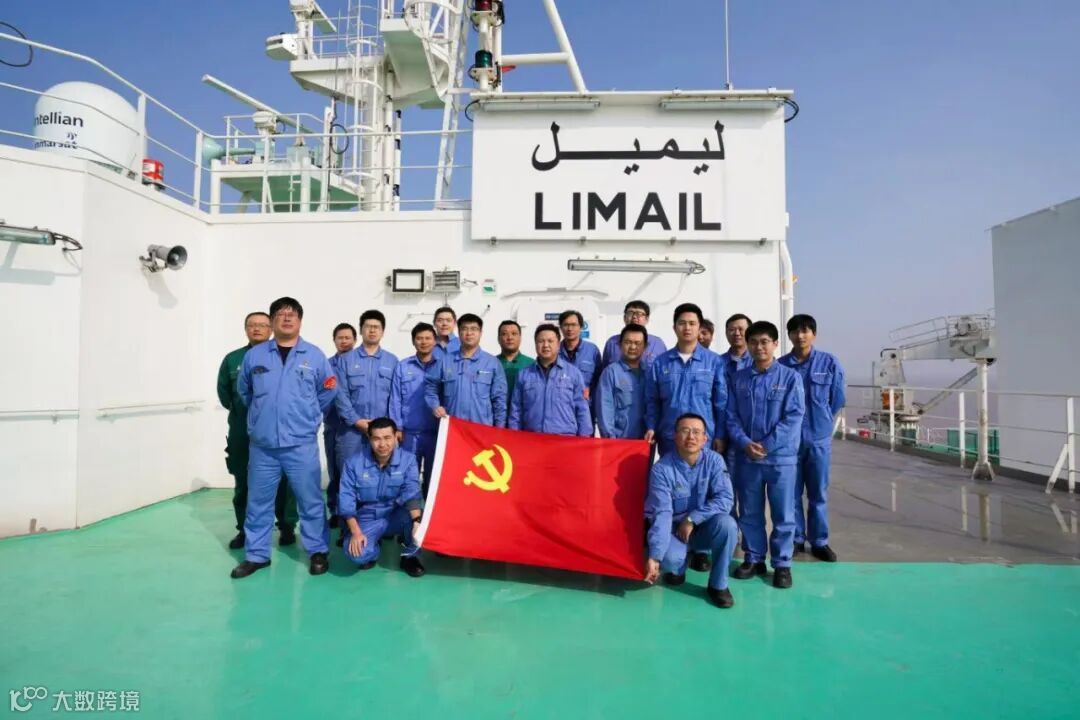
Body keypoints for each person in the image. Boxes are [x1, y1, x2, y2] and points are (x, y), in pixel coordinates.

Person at [231, 297, 337, 579]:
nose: (287, 318)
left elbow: (328, 390)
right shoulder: (255, 356)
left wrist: (306, 416)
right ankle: (256, 555)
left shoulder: (314, 355)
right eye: (280, 314)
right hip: (264, 446)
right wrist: (262, 418)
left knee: (310, 500)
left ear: (300, 321)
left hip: (300, 444)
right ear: (272, 321)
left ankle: (317, 551)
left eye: (292, 315)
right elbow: (245, 392)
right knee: (258, 502)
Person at [726, 320, 805, 589]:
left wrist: (768, 445)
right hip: (748, 458)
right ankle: (754, 558)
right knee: (750, 511)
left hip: (781, 459)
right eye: (754, 342)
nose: (759, 347)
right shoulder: (739, 379)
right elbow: (731, 416)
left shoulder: (790, 378)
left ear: (775, 344)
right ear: (747, 345)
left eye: (764, 342)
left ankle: (782, 564)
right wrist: (744, 442)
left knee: (784, 513)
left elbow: (794, 416)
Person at [216, 312, 297, 549]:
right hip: (242, 432)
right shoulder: (233, 359)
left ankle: (286, 526)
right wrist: (248, 415)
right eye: (252, 325)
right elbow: (225, 394)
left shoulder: (284, 356)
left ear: (271, 328)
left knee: (283, 480)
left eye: (262, 325)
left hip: (277, 431)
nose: (257, 329)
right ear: (246, 329)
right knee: (244, 481)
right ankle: (244, 530)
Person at [644, 413, 739, 609]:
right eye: (685, 431)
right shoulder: (661, 470)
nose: (691, 437)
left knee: (728, 525)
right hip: (674, 532)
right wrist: (655, 556)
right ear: (675, 436)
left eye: (696, 432)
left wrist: (692, 519)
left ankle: (718, 585)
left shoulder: (715, 462)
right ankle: (681, 562)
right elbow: (662, 513)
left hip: (704, 528)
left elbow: (725, 498)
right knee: (669, 560)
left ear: (705, 438)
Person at [779, 314, 846, 562]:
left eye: (805, 330)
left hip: (818, 439)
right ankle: (796, 538)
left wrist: (822, 420)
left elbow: (837, 399)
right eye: (795, 331)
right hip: (790, 442)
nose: (800, 335)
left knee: (818, 492)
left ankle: (819, 541)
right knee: (792, 493)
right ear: (789, 335)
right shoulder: (781, 366)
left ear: (814, 334)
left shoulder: (829, 363)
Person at [338, 417, 425, 577]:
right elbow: (346, 499)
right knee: (357, 555)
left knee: (421, 522)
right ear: (369, 438)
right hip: (367, 516)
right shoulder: (353, 463)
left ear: (395, 437)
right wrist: (356, 532)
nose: (382, 444)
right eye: (377, 439)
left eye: (387, 438)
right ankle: (373, 548)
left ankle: (410, 556)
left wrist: (417, 522)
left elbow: (411, 492)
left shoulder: (408, 460)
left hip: (397, 513)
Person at [644, 303, 728, 457]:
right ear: (674, 327)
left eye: (692, 323)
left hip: (703, 439)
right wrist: (651, 427)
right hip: (670, 437)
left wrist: (720, 435)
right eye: (682, 323)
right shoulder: (661, 363)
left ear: (699, 327)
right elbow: (652, 401)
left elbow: (721, 403)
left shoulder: (714, 362)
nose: (687, 328)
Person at [333, 309, 399, 473]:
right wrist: (356, 421)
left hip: (382, 431)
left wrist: (390, 427)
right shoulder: (345, 360)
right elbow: (340, 395)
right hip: (351, 430)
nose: (372, 330)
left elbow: (396, 397)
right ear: (361, 330)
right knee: (348, 474)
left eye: (376, 327)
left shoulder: (392, 361)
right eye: (368, 326)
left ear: (382, 332)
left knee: (383, 475)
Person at [425, 313, 508, 427]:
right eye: (464, 329)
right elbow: (430, 387)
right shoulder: (445, 361)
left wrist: (499, 429)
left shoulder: (492, 363)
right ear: (459, 333)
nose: (469, 333)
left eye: (474, 329)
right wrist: (435, 406)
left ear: (480, 333)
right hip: (453, 428)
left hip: (482, 429)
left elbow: (499, 400)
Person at [508, 324, 591, 436]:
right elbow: (516, 411)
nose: (546, 345)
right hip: (532, 439)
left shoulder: (573, 374)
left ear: (558, 344)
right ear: (535, 344)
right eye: (541, 341)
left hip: (565, 439)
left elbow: (582, 410)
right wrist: (514, 437)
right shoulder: (524, 375)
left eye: (550, 341)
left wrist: (584, 439)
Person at [390, 322, 440, 494]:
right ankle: (411, 510)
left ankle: (430, 510)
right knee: (408, 477)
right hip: (409, 434)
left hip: (436, 433)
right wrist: (397, 427)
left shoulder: (443, 365)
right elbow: (395, 398)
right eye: (419, 338)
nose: (424, 342)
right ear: (413, 341)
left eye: (428, 338)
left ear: (435, 341)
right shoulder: (403, 366)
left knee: (434, 478)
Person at [325, 322, 356, 528]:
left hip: (356, 427)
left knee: (355, 472)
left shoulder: (361, 363)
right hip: (333, 424)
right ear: (334, 340)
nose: (344, 341)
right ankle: (336, 510)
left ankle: (356, 512)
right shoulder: (326, 365)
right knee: (335, 471)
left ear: (355, 339)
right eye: (340, 338)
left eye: (348, 338)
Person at [595, 324, 648, 439]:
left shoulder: (649, 373)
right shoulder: (610, 372)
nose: (632, 347)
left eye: (637, 343)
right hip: (619, 441)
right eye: (628, 342)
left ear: (645, 346)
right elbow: (604, 409)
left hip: (645, 441)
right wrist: (610, 438)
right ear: (620, 344)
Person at [601, 300, 667, 368]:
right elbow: (605, 370)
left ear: (647, 319)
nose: (634, 317)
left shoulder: (657, 343)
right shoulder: (612, 342)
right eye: (630, 313)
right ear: (624, 318)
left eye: (639, 314)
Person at [558, 310, 602, 403]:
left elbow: (599, 382)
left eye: (573, 325)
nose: (570, 329)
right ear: (561, 327)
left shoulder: (592, 350)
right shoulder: (554, 351)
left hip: (586, 406)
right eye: (566, 325)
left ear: (581, 327)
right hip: (560, 407)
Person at [497, 320, 535, 400]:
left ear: (520, 338)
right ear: (498, 339)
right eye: (504, 334)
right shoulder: (491, 363)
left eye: (514, 334)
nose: (510, 338)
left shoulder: (532, 364)